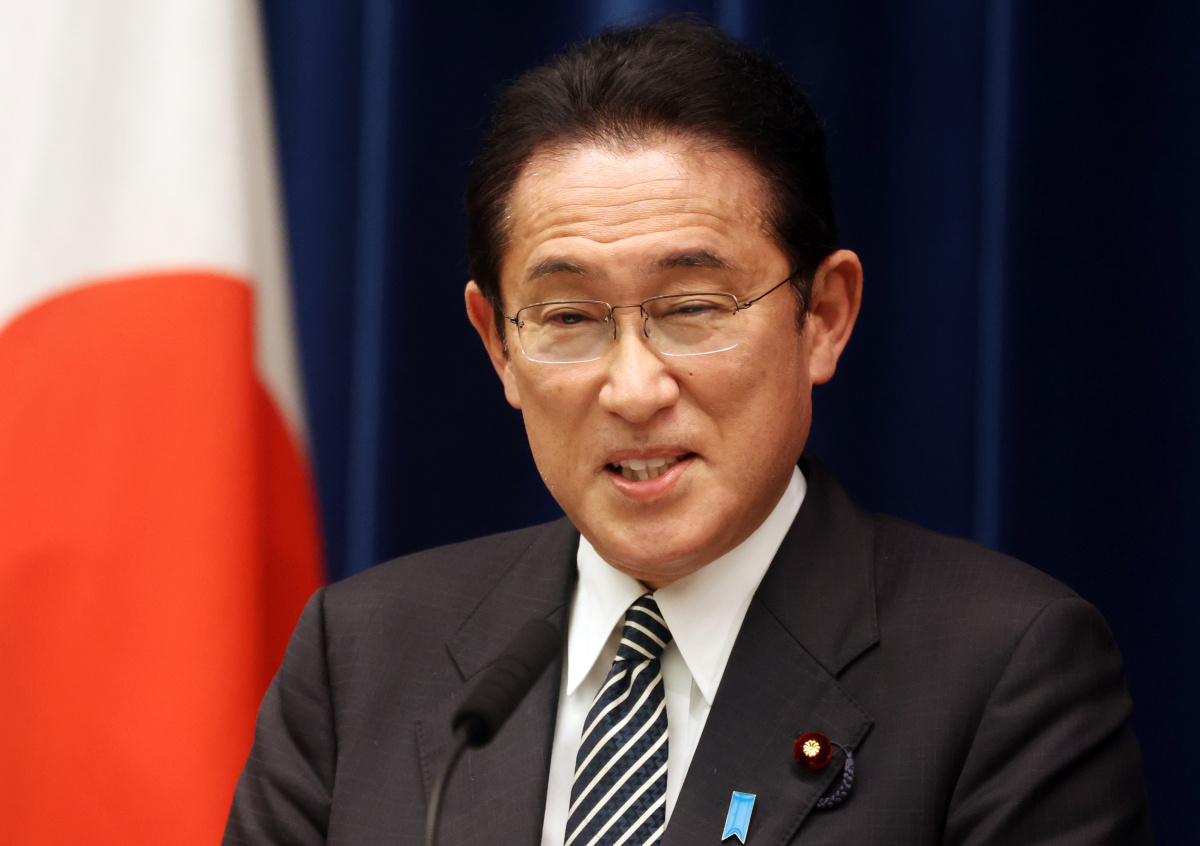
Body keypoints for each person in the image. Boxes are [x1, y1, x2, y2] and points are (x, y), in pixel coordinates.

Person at [224, 17, 1152, 846]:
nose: (634, 389)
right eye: (568, 318)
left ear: (824, 316)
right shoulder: (364, 654)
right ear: (497, 344)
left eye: (694, 307)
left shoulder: (1003, 670)